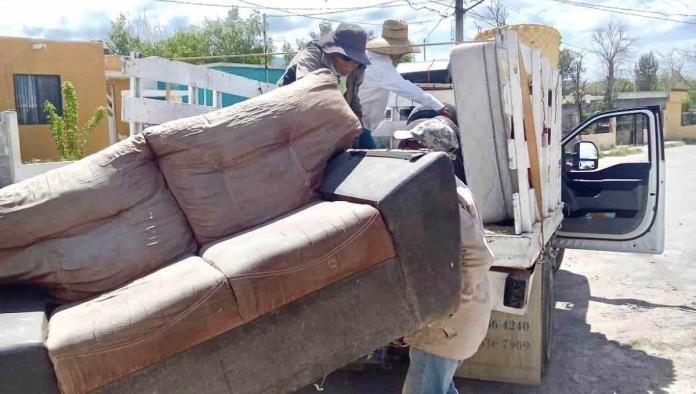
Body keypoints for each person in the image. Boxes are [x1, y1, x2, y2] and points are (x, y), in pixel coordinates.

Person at [393, 118, 495, 394]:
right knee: (439, 386)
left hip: (448, 325)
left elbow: (478, 257)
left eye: (410, 145)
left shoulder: (445, 195)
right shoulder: (439, 186)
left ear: (430, 153)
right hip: (450, 325)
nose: (403, 150)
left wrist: (448, 306)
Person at [358, 20, 449, 148]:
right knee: (370, 163)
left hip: (359, 124)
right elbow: (405, 87)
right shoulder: (380, 66)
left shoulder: (370, 58)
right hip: (359, 127)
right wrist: (437, 106)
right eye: (401, 51)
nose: (402, 55)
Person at [278, 22, 370, 123]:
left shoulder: (358, 69)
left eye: (357, 61)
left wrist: (357, 119)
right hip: (293, 110)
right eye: (346, 58)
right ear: (334, 52)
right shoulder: (313, 55)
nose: (351, 65)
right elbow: (305, 89)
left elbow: (354, 99)